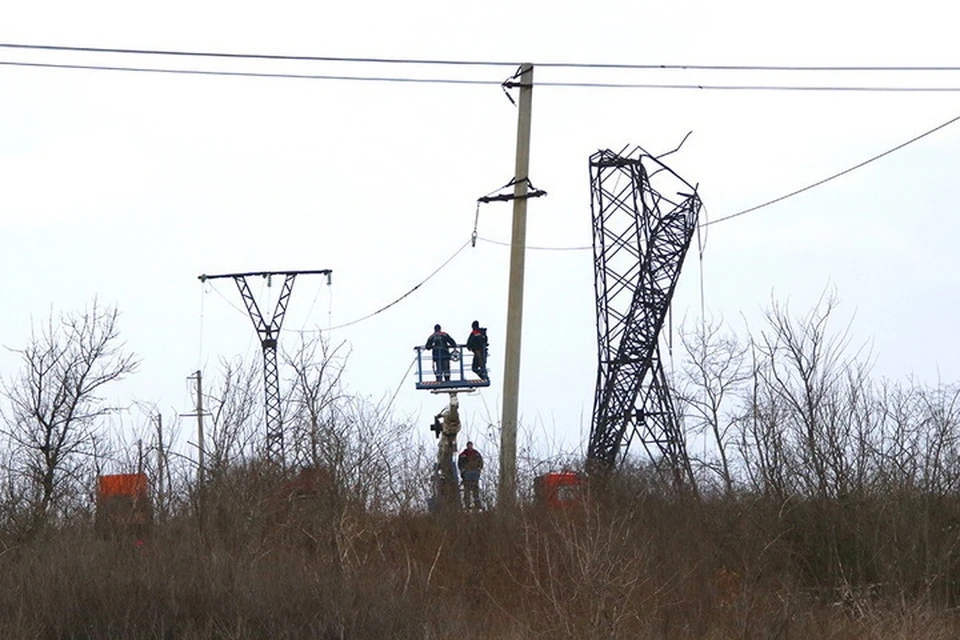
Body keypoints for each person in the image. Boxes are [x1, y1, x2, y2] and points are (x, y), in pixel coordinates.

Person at [458, 441, 484, 510]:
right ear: (467, 446)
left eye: (471, 445)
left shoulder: (476, 453)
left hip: (475, 474)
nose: (470, 446)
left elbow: (481, 462)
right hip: (467, 475)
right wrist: (463, 471)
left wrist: (478, 469)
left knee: (476, 490)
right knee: (467, 490)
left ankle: (477, 505)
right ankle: (467, 505)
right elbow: (460, 464)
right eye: (469, 445)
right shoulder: (463, 454)